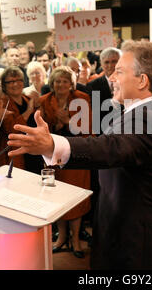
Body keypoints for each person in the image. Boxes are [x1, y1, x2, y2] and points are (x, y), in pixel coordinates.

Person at [7, 41, 152, 270]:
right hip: (123, 230)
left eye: (119, 71)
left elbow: (112, 147)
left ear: (142, 80)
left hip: (135, 242)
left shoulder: (151, 116)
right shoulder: (141, 111)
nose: (112, 78)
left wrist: (53, 145)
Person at [39, 66, 92, 259]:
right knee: (57, 197)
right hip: (53, 156)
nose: (61, 84)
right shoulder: (44, 101)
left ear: (71, 84)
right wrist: (56, 125)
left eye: (65, 81)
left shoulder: (82, 99)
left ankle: (76, 239)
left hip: (77, 154)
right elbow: (40, 129)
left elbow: (89, 130)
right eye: (57, 81)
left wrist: (69, 122)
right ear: (52, 83)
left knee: (75, 198)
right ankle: (61, 237)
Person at [0, 66, 42, 174]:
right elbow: (11, 130)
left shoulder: (28, 99)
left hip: (34, 152)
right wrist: (28, 111)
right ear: (4, 85)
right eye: (11, 81)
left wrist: (39, 107)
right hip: (15, 155)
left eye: (18, 80)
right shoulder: (2, 103)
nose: (15, 84)